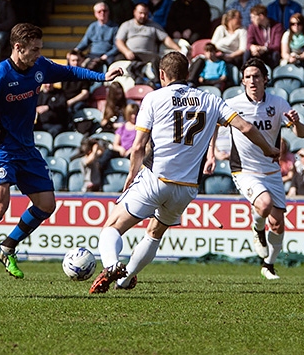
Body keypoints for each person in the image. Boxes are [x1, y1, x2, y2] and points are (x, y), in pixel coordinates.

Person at [89, 52, 280, 294]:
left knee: (112, 227)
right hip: (187, 187)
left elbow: (138, 146)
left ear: (161, 75)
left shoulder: (153, 98)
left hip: (156, 178)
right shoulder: (211, 99)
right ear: (188, 75)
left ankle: (112, 265)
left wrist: (131, 176)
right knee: (154, 233)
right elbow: (245, 127)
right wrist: (269, 148)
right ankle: (126, 280)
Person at [0, 23, 124, 282]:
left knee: (47, 204)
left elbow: (69, 71)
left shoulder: (39, 67)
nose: (38, 54)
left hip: (26, 148)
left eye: (40, 49)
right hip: (1, 148)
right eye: (34, 49)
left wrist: (102, 77)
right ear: (18, 47)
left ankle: (7, 247)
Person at [226, 57, 304, 280]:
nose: (252, 81)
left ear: (266, 79)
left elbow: (301, 134)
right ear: (242, 81)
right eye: (248, 77)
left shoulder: (278, 103)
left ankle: (268, 265)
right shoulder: (233, 104)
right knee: (264, 204)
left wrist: (297, 122)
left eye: (257, 76)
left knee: (278, 224)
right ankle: (257, 228)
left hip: (271, 172)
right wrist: (212, 153)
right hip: (244, 170)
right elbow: (215, 125)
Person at [115, 2, 182, 86]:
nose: (143, 16)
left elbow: (166, 39)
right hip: (131, 53)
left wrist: (178, 49)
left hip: (147, 54)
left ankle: (158, 83)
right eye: (140, 13)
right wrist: (126, 51)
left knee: (157, 59)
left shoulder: (154, 26)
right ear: (134, 12)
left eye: (145, 13)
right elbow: (119, 41)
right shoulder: (126, 25)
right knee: (116, 58)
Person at [73, 2, 119, 71]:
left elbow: (117, 46)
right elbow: (85, 42)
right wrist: (74, 51)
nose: (102, 13)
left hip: (107, 56)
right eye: (99, 11)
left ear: (108, 12)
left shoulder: (115, 27)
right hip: (93, 55)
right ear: (95, 14)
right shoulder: (92, 27)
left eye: (104, 11)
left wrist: (107, 55)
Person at [97, 103, 138, 176]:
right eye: (131, 114)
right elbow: (115, 144)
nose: (133, 116)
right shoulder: (122, 127)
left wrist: (130, 151)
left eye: (135, 114)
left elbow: (139, 143)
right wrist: (120, 149)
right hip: (121, 151)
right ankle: (99, 172)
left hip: (131, 152)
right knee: (108, 153)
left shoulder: (138, 129)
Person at [245, 4, 283, 69]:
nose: (251, 20)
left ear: (261, 16)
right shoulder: (252, 27)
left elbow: (277, 45)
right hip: (257, 52)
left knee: (275, 54)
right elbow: (249, 43)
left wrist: (265, 48)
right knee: (247, 53)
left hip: (270, 53)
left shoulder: (277, 27)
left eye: (253, 17)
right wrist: (252, 47)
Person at [62, 51, 91, 118]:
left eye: (78, 60)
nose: (76, 63)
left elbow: (85, 94)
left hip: (78, 102)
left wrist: (70, 102)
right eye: (73, 60)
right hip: (65, 100)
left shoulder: (84, 74)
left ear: (82, 60)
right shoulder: (64, 74)